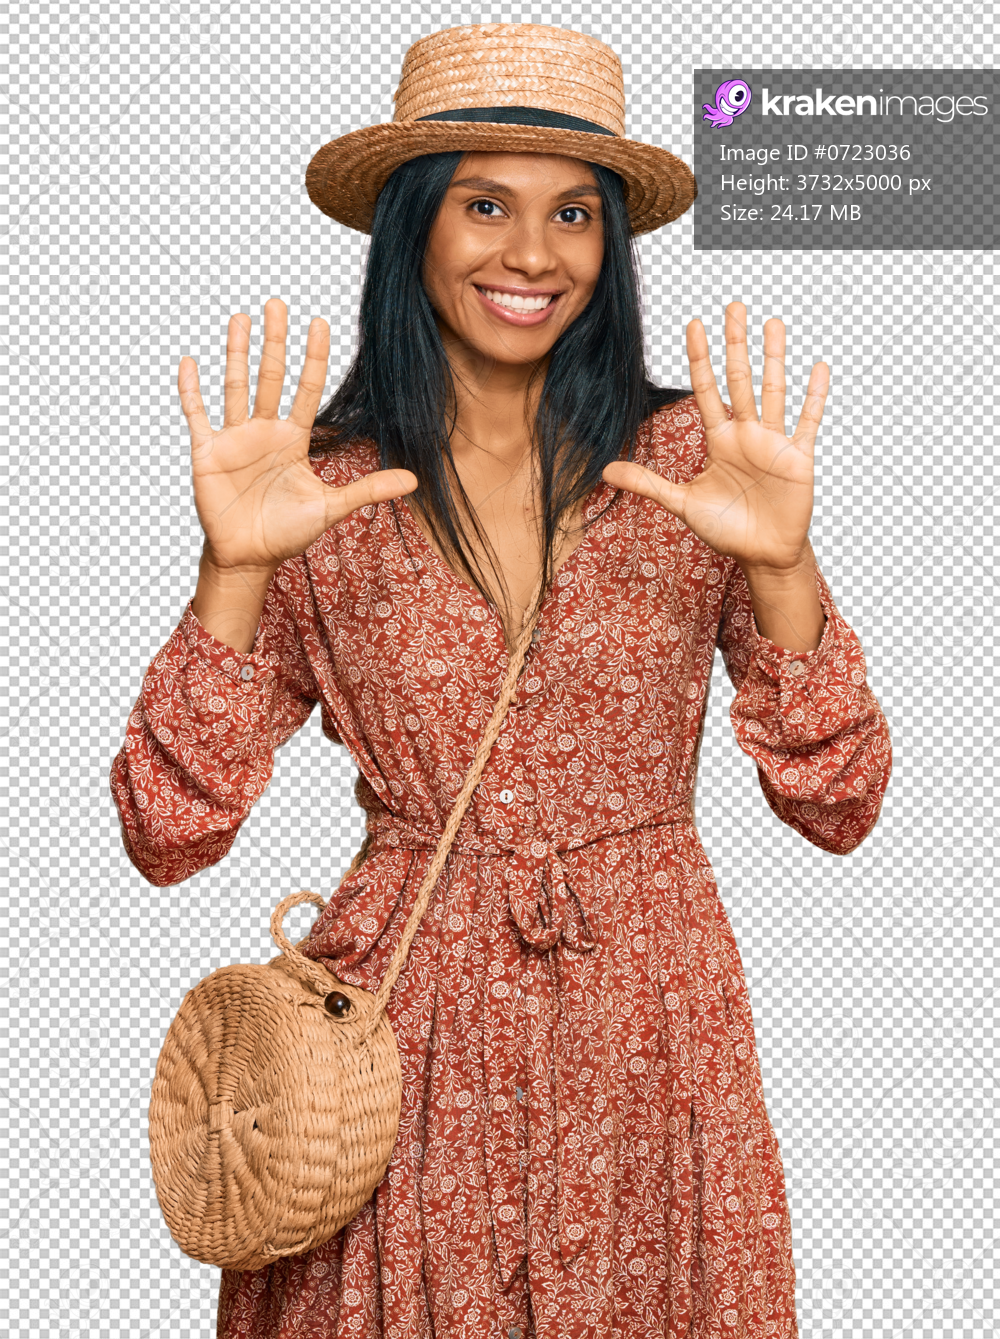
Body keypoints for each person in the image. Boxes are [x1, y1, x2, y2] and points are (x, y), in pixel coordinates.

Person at [111, 23, 892, 1339]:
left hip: (651, 1019)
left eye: (573, 213)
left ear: (611, 244)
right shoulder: (323, 487)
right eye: (486, 204)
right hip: (402, 1032)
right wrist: (232, 568)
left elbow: (845, 802)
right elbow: (165, 833)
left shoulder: (701, 458)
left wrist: (787, 566)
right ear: (414, 225)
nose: (533, 253)